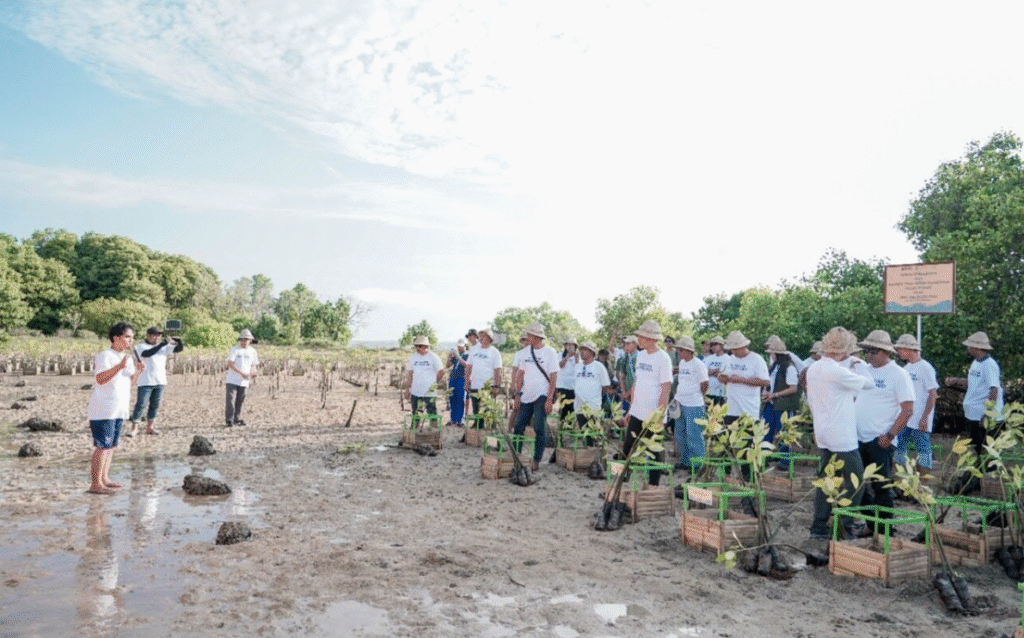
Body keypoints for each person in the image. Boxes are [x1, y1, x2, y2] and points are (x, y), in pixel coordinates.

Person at [806, 327, 875, 540]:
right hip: (842, 436)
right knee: (856, 482)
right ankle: (844, 527)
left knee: (826, 481)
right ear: (845, 351)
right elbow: (869, 384)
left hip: (824, 432)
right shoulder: (839, 371)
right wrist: (859, 365)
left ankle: (818, 527)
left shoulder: (813, 368)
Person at [854, 330, 915, 533]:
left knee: (882, 487)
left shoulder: (899, 374)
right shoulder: (864, 370)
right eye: (866, 350)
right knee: (856, 486)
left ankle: (885, 530)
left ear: (885, 352)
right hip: (858, 438)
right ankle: (873, 524)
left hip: (880, 440)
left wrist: (889, 436)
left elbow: (907, 409)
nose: (868, 355)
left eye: (872, 351)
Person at [87, 322, 144, 494]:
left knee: (111, 446)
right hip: (103, 408)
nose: (131, 341)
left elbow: (130, 382)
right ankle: (95, 484)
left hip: (119, 408)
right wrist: (119, 366)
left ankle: (104, 478)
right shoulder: (105, 355)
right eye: (127, 337)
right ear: (116, 338)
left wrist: (138, 372)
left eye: (132, 337)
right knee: (101, 446)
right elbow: (100, 379)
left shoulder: (126, 358)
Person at [624, 320, 673, 486]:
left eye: (641, 336)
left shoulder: (663, 358)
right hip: (638, 410)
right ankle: (621, 481)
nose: (638, 338)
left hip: (654, 414)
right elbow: (637, 380)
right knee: (628, 448)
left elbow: (666, 388)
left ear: (651, 339)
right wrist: (631, 408)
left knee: (653, 452)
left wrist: (659, 416)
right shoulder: (641, 355)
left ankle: (653, 486)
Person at [947, 331, 1004, 455]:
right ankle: (976, 473)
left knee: (985, 449)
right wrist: (956, 381)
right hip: (973, 413)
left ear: (977, 348)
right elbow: (974, 382)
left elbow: (994, 389)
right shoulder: (976, 362)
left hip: (982, 416)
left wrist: (987, 415)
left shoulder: (989, 365)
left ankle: (981, 472)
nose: (968, 348)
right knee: (977, 447)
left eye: (969, 346)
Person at [512, 322, 559, 471]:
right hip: (526, 395)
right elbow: (520, 374)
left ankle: (536, 460)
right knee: (518, 426)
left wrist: (549, 399)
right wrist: (518, 395)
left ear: (537, 337)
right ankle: (516, 454)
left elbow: (553, 377)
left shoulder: (550, 352)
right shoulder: (525, 352)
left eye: (529, 335)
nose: (526, 337)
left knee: (539, 427)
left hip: (542, 395)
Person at [893, 334, 939, 473]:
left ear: (909, 349)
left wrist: (925, 417)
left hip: (920, 418)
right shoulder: (906, 369)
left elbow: (933, 393)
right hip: (905, 417)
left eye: (900, 349)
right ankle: (901, 482)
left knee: (923, 451)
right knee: (899, 449)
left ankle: (924, 485)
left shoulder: (926, 368)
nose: (898, 352)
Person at [127, 326, 183, 437]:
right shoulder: (140, 346)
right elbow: (147, 354)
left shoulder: (164, 347)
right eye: (153, 334)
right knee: (141, 405)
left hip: (160, 381)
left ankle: (150, 427)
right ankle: (134, 428)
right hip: (145, 381)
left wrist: (179, 341)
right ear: (147, 335)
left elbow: (178, 349)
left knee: (155, 405)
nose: (155, 337)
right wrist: (162, 344)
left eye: (158, 335)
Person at [672, 336, 709, 472]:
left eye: (680, 350)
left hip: (694, 404)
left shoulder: (698, 364)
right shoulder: (682, 363)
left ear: (688, 351)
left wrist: (697, 395)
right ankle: (686, 461)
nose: (678, 353)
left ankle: (698, 463)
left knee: (694, 434)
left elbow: (705, 384)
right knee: (680, 433)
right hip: (680, 402)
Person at [719, 331, 769, 424]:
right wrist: (723, 378)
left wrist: (741, 380)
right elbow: (722, 375)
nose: (732, 352)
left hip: (749, 410)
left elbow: (765, 382)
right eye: (731, 349)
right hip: (731, 409)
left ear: (743, 347)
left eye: (735, 349)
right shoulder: (730, 359)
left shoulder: (756, 359)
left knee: (747, 437)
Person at [763, 335, 800, 452]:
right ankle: (765, 456)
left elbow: (793, 388)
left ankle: (784, 460)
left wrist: (775, 395)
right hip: (771, 403)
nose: (771, 355)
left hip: (784, 405)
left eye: (773, 353)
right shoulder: (774, 366)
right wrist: (766, 392)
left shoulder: (789, 368)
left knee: (784, 432)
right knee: (766, 430)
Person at [225, 329, 260, 427]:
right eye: (242, 340)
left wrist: (253, 372)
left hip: (245, 381)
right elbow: (230, 364)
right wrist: (241, 373)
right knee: (231, 400)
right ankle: (229, 420)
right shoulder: (235, 349)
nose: (243, 342)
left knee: (240, 400)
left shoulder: (253, 351)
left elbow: (253, 364)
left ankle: (237, 419)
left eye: (246, 340)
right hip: (232, 379)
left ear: (250, 341)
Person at [465, 328, 503, 416]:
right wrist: (467, 382)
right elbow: (468, 367)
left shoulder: (494, 352)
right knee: (476, 409)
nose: (481, 338)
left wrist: (496, 385)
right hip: (475, 385)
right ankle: (478, 426)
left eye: (483, 336)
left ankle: (490, 427)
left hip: (488, 386)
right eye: (480, 336)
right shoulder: (473, 350)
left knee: (488, 409)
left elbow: (497, 370)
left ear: (489, 338)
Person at [573, 341, 611, 427]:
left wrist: (596, 397)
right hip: (579, 407)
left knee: (592, 433)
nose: (582, 352)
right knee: (584, 432)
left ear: (592, 352)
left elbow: (605, 385)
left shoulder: (599, 366)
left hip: (593, 407)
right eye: (582, 349)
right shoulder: (577, 367)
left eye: (585, 350)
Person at [404, 335, 445, 415]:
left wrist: (434, 384)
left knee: (432, 414)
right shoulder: (413, 357)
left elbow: (441, 371)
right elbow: (410, 374)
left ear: (425, 346)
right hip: (415, 392)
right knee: (416, 414)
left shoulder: (433, 357)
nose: (417, 348)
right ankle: (415, 428)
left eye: (419, 346)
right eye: (416, 346)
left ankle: (433, 428)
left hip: (429, 393)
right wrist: (407, 389)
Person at [555, 337, 580, 423]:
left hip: (574, 386)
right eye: (568, 344)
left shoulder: (578, 357)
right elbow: (559, 366)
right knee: (563, 408)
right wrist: (567, 357)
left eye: (572, 345)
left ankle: (570, 428)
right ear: (565, 346)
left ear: (575, 346)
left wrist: (577, 361)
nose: (570, 346)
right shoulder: (559, 355)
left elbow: (579, 370)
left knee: (573, 408)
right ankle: (562, 428)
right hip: (562, 386)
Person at [446, 338, 469, 426]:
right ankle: (452, 419)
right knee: (452, 398)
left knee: (460, 399)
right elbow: (448, 365)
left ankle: (460, 420)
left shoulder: (467, 355)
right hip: (453, 378)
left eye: (461, 346)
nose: (459, 348)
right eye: (458, 346)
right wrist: (450, 356)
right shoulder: (455, 355)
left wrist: (458, 356)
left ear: (465, 346)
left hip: (461, 378)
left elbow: (465, 365)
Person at [615, 335, 639, 416]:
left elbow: (639, 378)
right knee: (625, 416)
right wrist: (624, 392)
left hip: (637, 393)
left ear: (636, 344)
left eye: (628, 344)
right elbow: (621, 376)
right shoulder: (625, 358)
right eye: (625, 344)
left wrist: (629, 392)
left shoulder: (640, 358)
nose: (626, 346)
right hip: (626, 394)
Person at [703, 336, 728, 406]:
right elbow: (703, 373)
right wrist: (715, 371)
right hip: (708, 393)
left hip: (722, 394)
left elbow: (724, 375)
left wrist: (711, 372)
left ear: (722, 345)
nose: (713, 346)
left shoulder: (728, 358)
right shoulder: (709, 358)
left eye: (716, 344)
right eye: (712, 344)